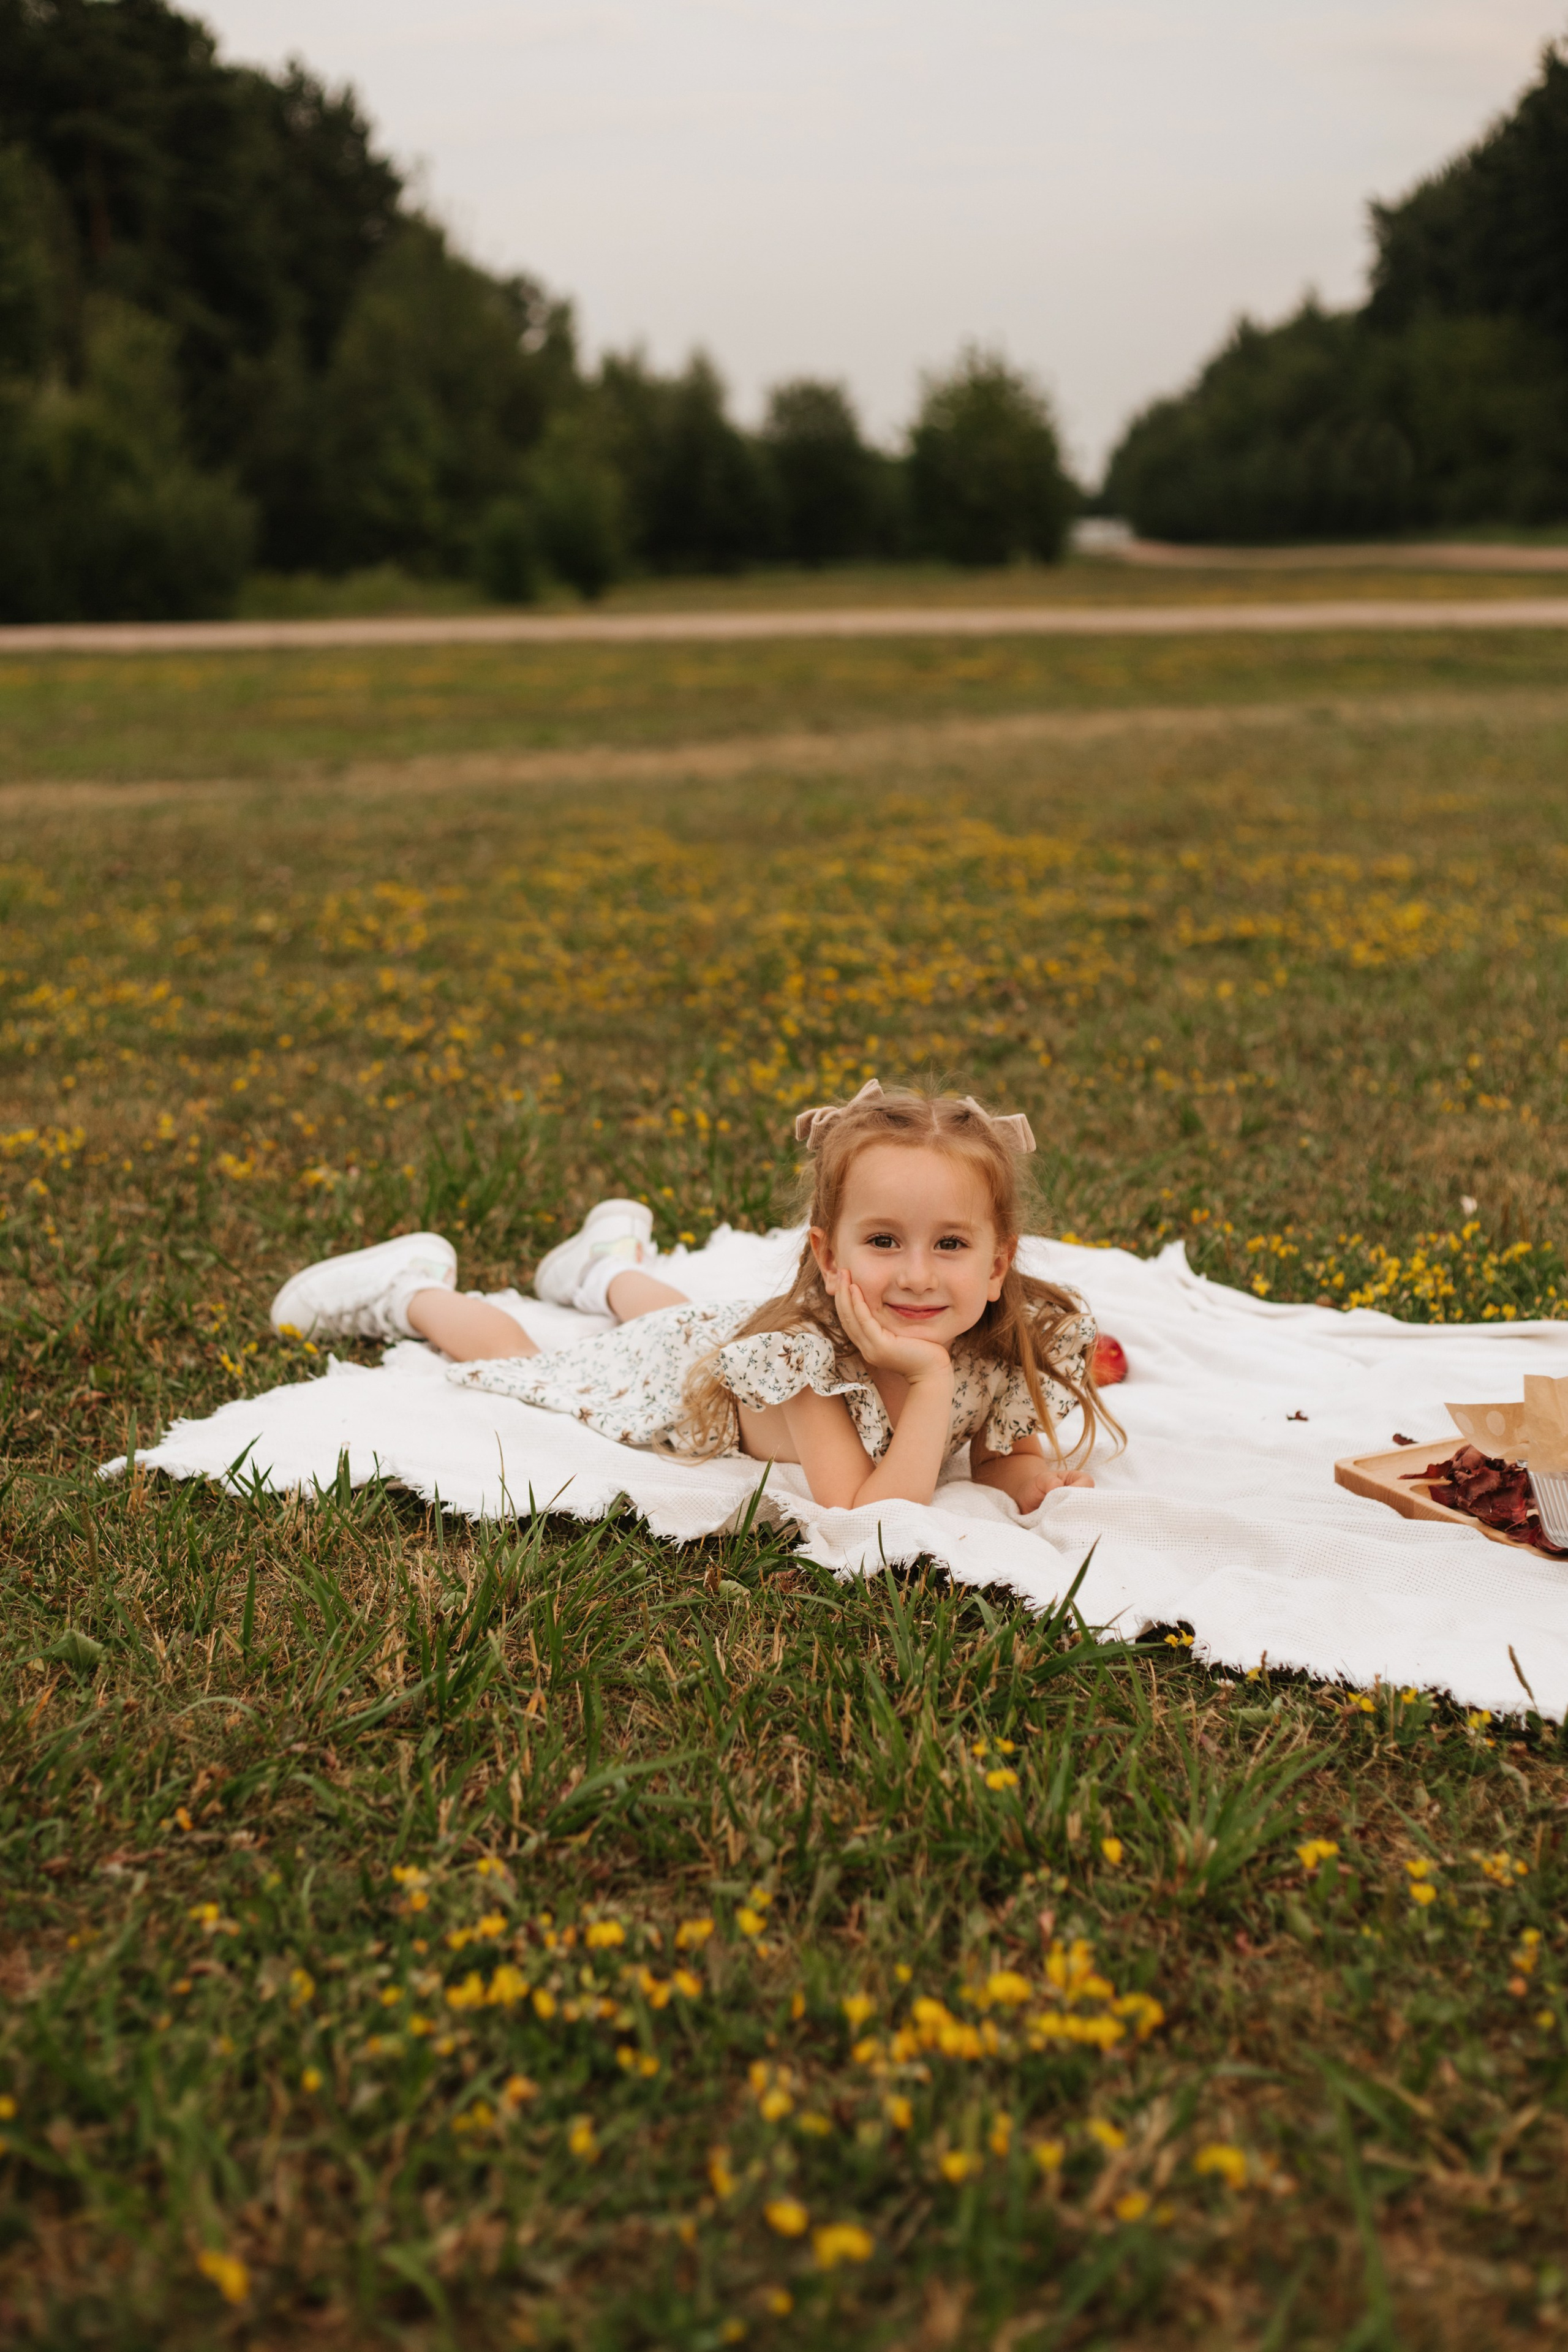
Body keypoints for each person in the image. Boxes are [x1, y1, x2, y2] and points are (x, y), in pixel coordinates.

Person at [268, 1080, 1113, 1513]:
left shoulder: (1000, 1345)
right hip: (682, 1379)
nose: (919, 1276)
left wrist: (1034, 1481)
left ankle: (603, 1267)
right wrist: (925, 1380)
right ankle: (409, 1290)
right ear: (826, 1254)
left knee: (676, 1315)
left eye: (953, 1246)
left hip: (708, 1335)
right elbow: (871, 1509)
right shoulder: (811, 1367)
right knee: (529, 1364)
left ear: (998, 1265)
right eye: (883, 1242)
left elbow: (1002, 1459)